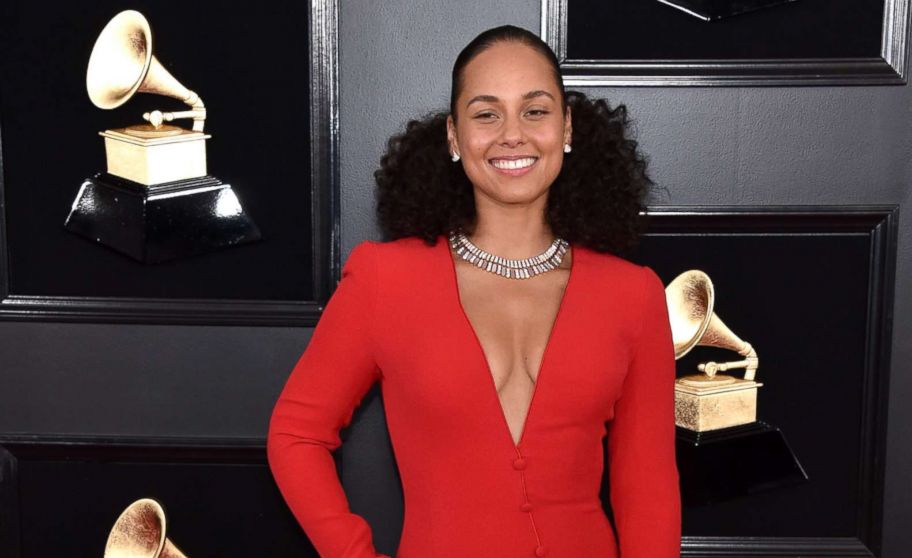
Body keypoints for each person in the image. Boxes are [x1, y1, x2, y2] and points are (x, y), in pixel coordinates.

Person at [267, 25, 681, 558]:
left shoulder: (633, 295)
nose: (513, 134)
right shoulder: (385, 281)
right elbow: (296, 434)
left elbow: (647, 489)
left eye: (536, 110)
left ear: (567, 128)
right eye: (487, 114)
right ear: (454, 137)